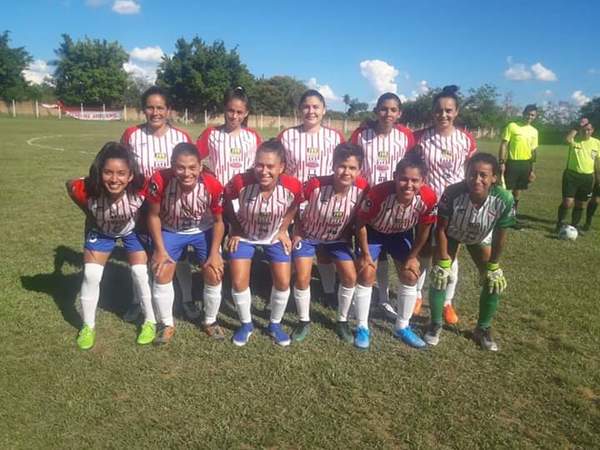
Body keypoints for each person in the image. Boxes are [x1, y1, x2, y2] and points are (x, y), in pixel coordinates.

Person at [121, 86, 199, 322]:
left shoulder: (181, 137)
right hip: (140, 205)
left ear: (168, 110)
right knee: (141, 254)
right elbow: (123, 166)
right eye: (150, 107)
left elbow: (191, 169)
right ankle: (138, 301)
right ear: (143, 109)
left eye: (160, 108)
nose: (155, 112)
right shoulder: (132, 134)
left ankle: (186, 299)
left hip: (174, 205)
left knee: (181, 255)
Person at [66, 142, 155, 350]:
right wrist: (89, 214)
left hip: (131, 231)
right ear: (100, 172)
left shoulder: (142, 187)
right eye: (108, 172)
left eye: (121, 173)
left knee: (140, 273)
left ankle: (150, 321)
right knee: (91, 275)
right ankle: (88, 326)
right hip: (102, 232)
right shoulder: (86, 189)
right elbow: (69, 185)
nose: (114, 179)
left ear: (131, 175)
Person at [424, 153, 514, 351]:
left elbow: (501, 235)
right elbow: (440, 228)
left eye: (483, 175)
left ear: (494, 178)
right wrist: (445, 260)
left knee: (493, 279)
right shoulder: (453, 192)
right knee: (440, 275)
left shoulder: (504, 199)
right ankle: (435, 323)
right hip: (452, 233)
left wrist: (494, 264)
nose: (477, 179)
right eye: (472, 174)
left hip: (479, 237)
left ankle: (482, 329)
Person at [354, 152, 437, 350]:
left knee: (410, 274)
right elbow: (360, 223)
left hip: (400, 234)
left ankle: (403, 326)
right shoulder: (378, 194)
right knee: (366, 273)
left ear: (423, 181)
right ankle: (362, 327)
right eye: (404, 179)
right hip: (374, 232)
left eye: (415, 180)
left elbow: (425, 229)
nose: (409, 185)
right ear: (394, 176)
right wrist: (365, 254)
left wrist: (413, 256)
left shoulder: (428, 197)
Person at [224, 139, 302, 347]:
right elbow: (226, 201)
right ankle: (246, 324)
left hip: (273, 236)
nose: (264, 171)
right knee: (239, 281)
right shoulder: (240, 182)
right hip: (246, 234)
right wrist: (236, 228)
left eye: (270, 166)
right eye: (259, 164)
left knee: (283, 282)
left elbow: (294, 206)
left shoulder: (293, 185)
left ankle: (274, 325)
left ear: (282, 167)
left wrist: (284, 229)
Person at [146, 143, 225, 344]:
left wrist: (215, 253)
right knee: (161, 271)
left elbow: (218, 222)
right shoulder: (159, 180)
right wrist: (160, 250)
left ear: (200, 166)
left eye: (192, 167)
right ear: (173, 166)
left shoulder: (213, 185)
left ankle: (210, 321)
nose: (186, 173)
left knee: (214, 272)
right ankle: (166, 324)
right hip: (171, 229)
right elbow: (153, 215)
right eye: (180, 167)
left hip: (203, 229)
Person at [290, 143, 368, 343]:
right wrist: (297, 231)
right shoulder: (315, 184)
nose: (346, 172)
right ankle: (303, 320)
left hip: (337, 239)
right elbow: (294, 205)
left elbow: (360, 219)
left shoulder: (363, 189)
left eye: (352, 168)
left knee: (350, 277)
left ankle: (342, 321)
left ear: (359, 170)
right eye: (342, 166)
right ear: (333, 165)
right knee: (302, 277)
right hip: (308, 237)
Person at [413, 85, 477, 325]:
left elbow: (472, 172)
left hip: (457, 205)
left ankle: (447, 302)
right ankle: (418, 296)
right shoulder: (420, 138)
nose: (443, 115)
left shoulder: (466, 140)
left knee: (450, 255)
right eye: (439, 110)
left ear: (456, 112)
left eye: (448, 110)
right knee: (424, 252)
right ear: (432, 112)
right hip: (427, 204)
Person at [350, 92, 415, 320]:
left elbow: (412, 165)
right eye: (383, 109)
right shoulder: (361, 135)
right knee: (372, 256)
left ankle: (384, 298)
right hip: (367, 204)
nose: (388, 113)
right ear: (376, 110)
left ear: (399, 113)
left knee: (389, 251)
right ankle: (376, 298)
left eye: (393, 110)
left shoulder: (406, 136)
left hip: (397, 205)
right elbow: (352, 163)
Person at [278, 89, 345, 305]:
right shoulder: (287, 135)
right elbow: (280, 168)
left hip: (324, 201)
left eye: (316, 106)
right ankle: (282, 288)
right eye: (306, 106)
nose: (311, 111)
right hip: (292, 202)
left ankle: (327, 290)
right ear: (299, 110)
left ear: (324, 110)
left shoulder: (335, 137)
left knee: (324, 248)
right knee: (287, 245)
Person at [196, 86, 262, 186]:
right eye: (231, 110)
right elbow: (193, 158)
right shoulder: (211, 134)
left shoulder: (253, 136)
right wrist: (207, 176)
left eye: (239, 112)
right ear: (224, 109)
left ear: (246, 113)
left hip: (245, 195)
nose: (234, 116)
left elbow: (262, 163)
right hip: (219, 195)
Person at [498, 104, 539, 229]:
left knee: (517, 192)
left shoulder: (534, 131)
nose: (529, 117)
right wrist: (502, 162)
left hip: (525, 164)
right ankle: (501, 217)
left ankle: (512, 217)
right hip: (512, 163)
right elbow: (504, 144)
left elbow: (533, 152)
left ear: (535, 117)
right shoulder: (512, 126)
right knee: (506, 192)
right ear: (523, 113)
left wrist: (532, 170)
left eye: (532, 115)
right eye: (528, 114)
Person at [556, 118, 600, 233]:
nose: (586, 132)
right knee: (567, 202)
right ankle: (559, 223)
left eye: (588, 130)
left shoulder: (597, 143)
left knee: (581, 204)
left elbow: (597, 161)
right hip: (571, 175)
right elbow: (567, 139)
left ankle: (574, 226)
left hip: (587, 178)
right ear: (580, 130)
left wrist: (598, 177)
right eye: (584, 130)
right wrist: (578, 126)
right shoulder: (574, 140)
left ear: (592, 130)